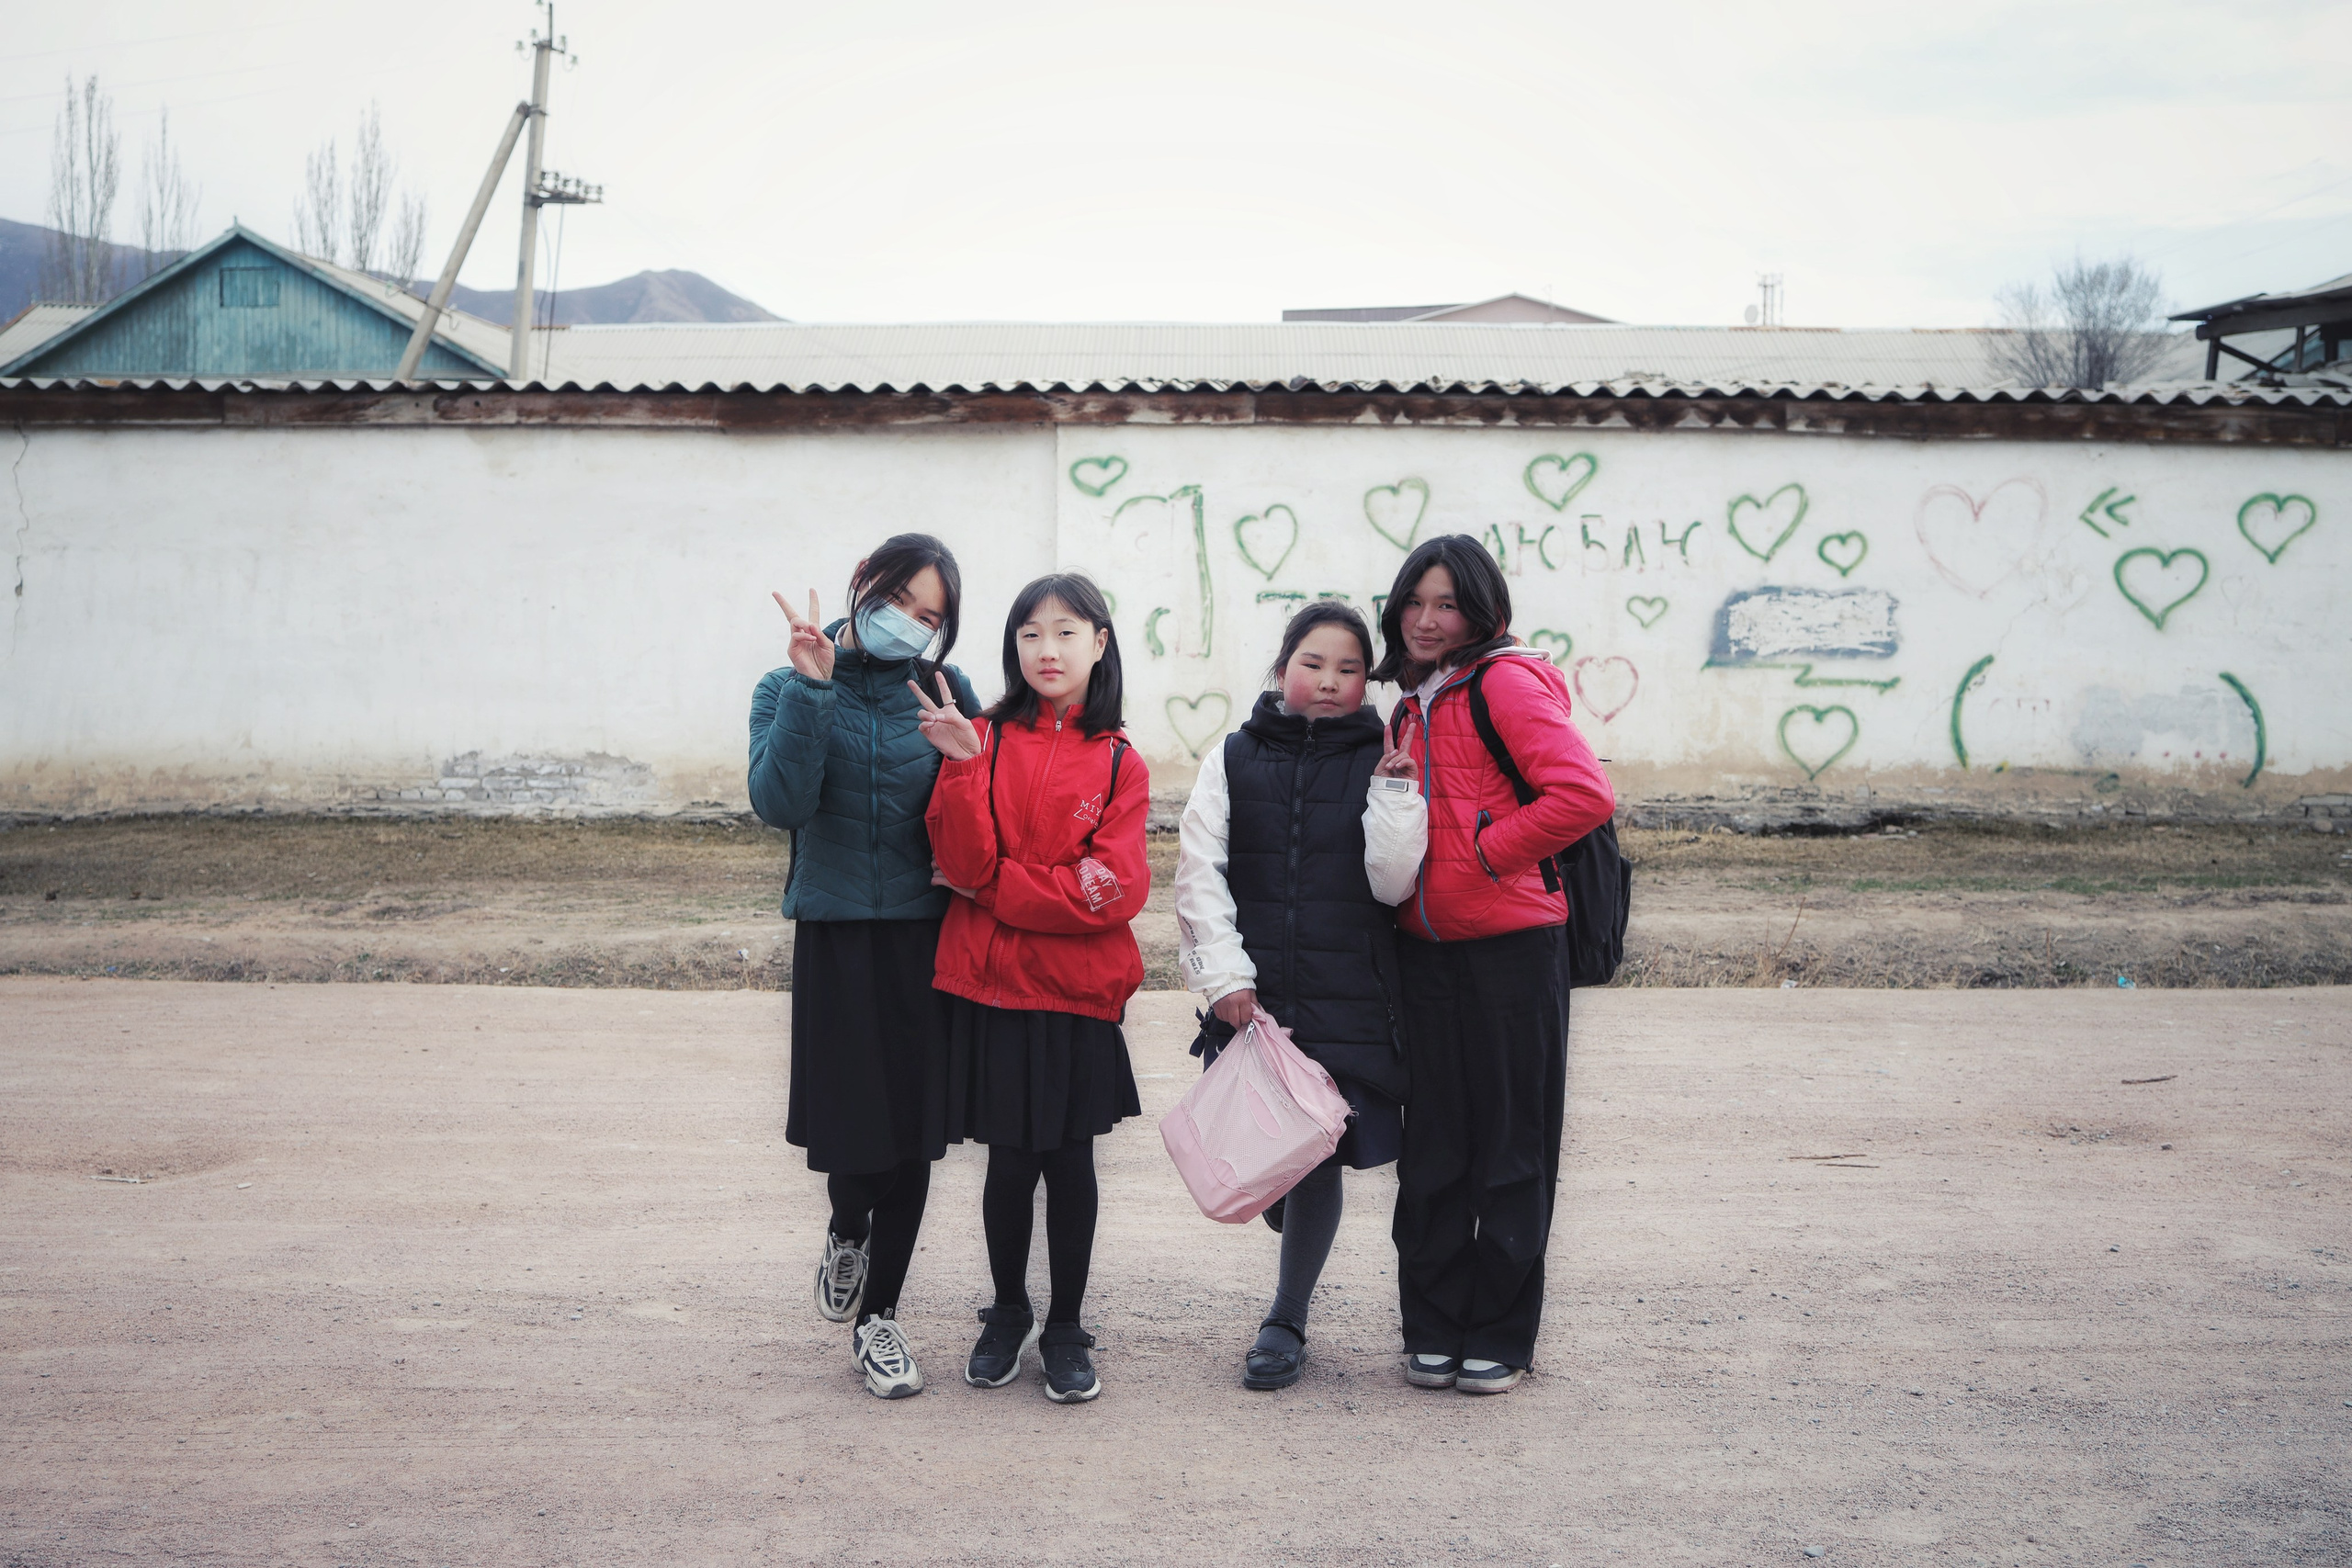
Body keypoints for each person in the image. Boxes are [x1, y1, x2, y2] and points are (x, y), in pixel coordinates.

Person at [1373, 535, 1616, 1395]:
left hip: (1515, 950)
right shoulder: (1411, 702)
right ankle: (1433, 1325)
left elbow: (1584, 794)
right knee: (1435, 1147)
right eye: (1415, 602)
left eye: (1447, 604)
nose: (1428, 620)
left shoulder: (1505, 681)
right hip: (1428, 951)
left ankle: (1501, 1335)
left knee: (1512, 1146)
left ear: (1481, 609)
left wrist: (1483, 852)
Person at [746, 534, 978, 1401]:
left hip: (927, 935)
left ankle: (880, 1318)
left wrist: (971, 757)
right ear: (862, 587)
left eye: (933, 617)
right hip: (839, 933)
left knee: (912, 1133)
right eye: (903, 603)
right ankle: (849, 1230)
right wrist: (812, 689)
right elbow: (779, 803)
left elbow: (975, 819)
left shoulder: (947, 693)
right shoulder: (786, 685)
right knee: (855, 1131)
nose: (913, 626)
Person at [1174, 601, 1426, 1390]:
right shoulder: (1233, 756)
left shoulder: (1385, 757)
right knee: (1280, 1163)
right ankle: (1287, 1235)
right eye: (1314, 663)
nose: (1329, 681)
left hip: (1350, 991)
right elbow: (1198, 870)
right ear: (1284, 666)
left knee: (1315, 1153)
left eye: (1350, 669)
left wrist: (1393, 798)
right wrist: (1224, 976)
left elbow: (1395, 884)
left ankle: (1286, 1318)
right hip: (1256, 997)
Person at [912, 571, 1149, 1404]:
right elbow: (965, 861)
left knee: (1070, 1160)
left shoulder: (1121, 760)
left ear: (1100, 642)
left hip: (1077, 994)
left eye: (1065, 632)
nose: (1046, 650)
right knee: (1010, 1161)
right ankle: (1008, 1311)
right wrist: (965, 770)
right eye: (1028, 634)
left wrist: (1000, 892)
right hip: (994, 989)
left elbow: (1112, 891)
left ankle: (1067, 1325)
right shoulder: (978, 737)